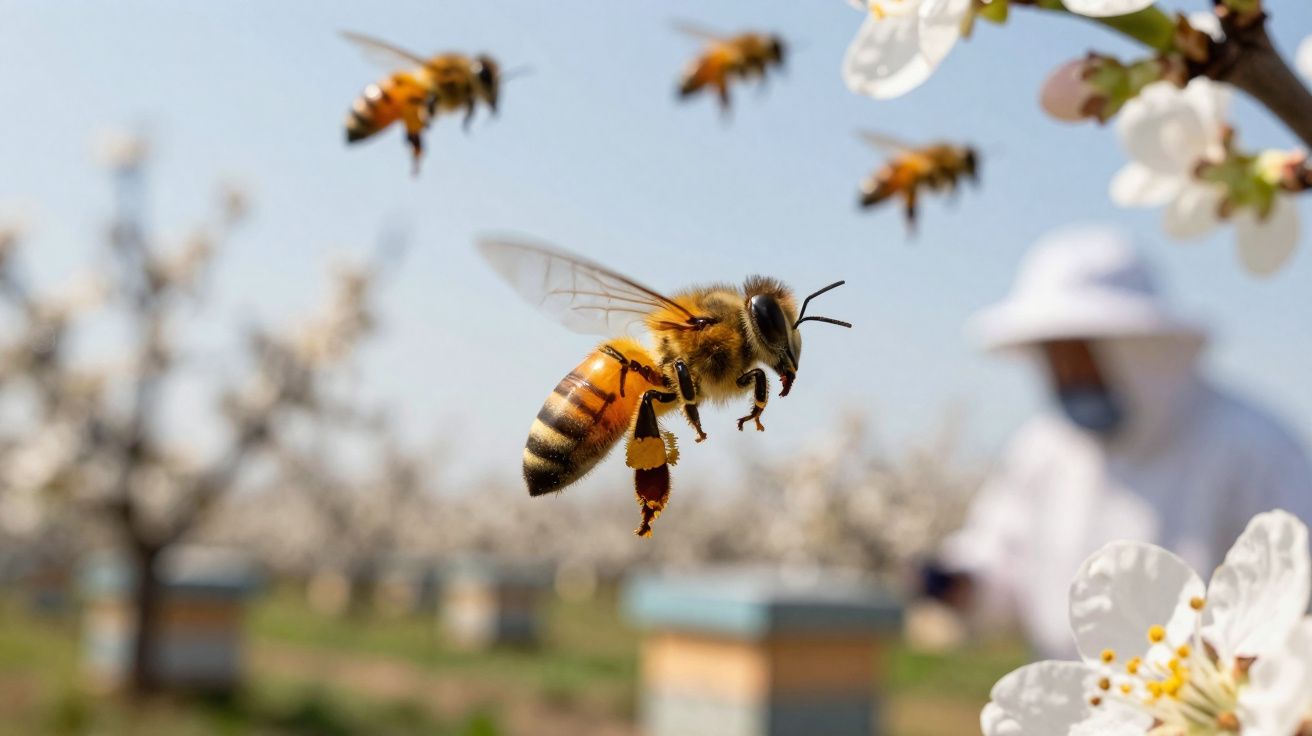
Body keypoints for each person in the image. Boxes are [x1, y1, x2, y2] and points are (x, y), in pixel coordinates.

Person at [935, 225, 1312, 659]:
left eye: (1081, 352)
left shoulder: (1252, 444)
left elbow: (1298, 577)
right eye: (1053, 355)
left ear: (1139, 349)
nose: (1069, 372)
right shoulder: (1042, 449)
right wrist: (957, 582)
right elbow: (1002, 560)